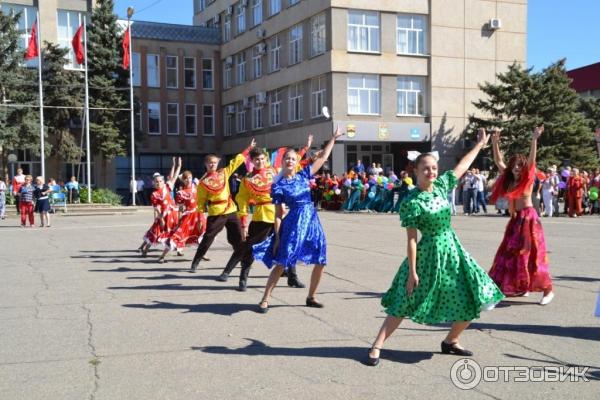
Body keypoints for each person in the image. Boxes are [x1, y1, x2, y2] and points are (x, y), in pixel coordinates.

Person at [365, 128, 503, 366]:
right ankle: (377, 345)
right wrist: (412, 271)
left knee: (475, 293)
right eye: (426, 168)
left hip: (453, 250)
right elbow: (410, 239)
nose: (431, 172)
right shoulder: (411, 201)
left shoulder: (440, 186)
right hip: (428, 254)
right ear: (416, 171)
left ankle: (451, 340)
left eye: (434, 168)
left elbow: (462, 167)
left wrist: (480, 145)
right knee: (404, 299)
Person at [254, 126, 345, 313]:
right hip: (293, 224)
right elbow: (279, 214)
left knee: (321, 259)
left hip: (312, 221)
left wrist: (333, 139)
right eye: (287, 158)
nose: (290, 160)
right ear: (283, 161)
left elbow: (322, 158)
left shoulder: (304, 175)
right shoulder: (278, 185)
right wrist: (278, 236)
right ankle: (265, 299)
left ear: (297, 162)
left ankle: (311, 296)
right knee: (282, 262)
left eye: (293, 159)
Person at [488, 126, 554, 305]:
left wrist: (534, 139)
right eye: (514, 165)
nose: (517, 168)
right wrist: (495, 143)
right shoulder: (509, 178)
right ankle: (517, 287)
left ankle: (547, 290)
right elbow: (498, 160)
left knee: (533, 256)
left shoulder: (528, 178)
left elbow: (532, 160)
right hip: (516, 220)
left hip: (529, 219)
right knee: (509, 255)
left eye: (520, 165)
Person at [189, 139, 256, 272]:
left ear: (218, 162)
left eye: (214, 162)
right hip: (216, 212)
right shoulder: (203, 183)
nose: (212, 164)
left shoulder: (224, 172)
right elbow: (200, 200)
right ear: (206, 164)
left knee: (237, 238)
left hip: (230, 209)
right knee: (208, 237)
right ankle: (196, 261)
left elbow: (236, 161)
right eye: (210, 163)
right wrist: (200, 214)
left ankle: (244, 260)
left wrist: (248, 149)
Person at [139, 158, 182, 259]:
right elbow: (157, 208)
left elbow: (174, 177)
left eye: (160, 181)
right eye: (156, 181)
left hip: (172, 214)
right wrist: (161, 219)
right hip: (163, 215)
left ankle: (178, 249)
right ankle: (145, 250)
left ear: (163, 181)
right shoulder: (154, 194)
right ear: (153, 183)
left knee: (175, 231)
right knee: (156, 233)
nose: (158, 183)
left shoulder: (167, 187)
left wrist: (178, 166)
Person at [161, 170, 207, 262]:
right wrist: (179, 219)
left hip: (199, 214)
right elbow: (180, 208)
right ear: (183, 180)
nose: (188, 180)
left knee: (202, 234)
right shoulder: (181, 193)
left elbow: (205, 179)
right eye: (186, 178)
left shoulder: (196, 186)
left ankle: (202, 254)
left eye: (190, 177)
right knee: (178, 235)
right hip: (189, 216)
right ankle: (162, 256)